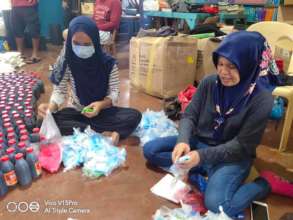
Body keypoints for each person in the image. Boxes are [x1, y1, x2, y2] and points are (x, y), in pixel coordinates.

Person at [143, 31, 278, 217]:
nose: (223, 71)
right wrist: (183, 140)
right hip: (200, 143)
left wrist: (200, 156)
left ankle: (264, 184)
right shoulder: (209, 83)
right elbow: (189, 114)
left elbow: (241, 146)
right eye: (220, 64)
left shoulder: (262, 99)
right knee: (151, 150)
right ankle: (203, 169)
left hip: (232, 156)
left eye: (231, 66)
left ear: (248, 65)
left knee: (218, 205)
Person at [38, 16, 141, 143]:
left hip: (103, 112)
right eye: (76, 43)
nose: (81, 48)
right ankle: (102, 135)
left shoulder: (108, 64)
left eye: (87, 44)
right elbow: (60, 90)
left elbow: (114, 93)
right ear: (70, 41)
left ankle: (85, 132)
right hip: (78, 113)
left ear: (95, 41)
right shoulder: (68, 61)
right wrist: (51, 107)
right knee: (46, 119)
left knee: (134, 116)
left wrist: (101, 105)